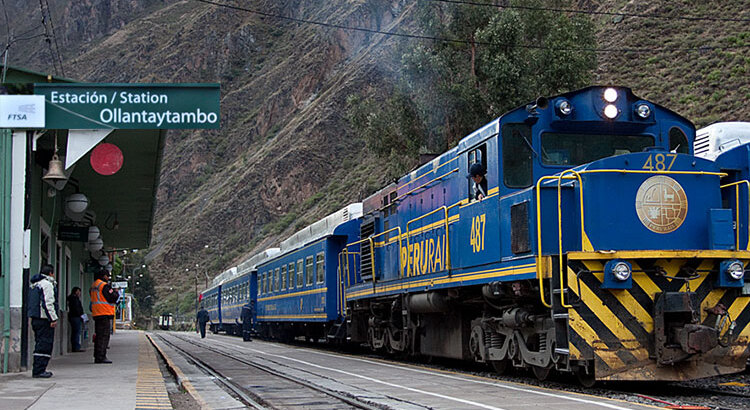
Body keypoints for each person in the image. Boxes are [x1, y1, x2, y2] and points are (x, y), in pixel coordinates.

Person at [28, 264, 59, 378]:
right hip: (44, 319)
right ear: (51, 273)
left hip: (36, 318)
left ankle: (38, 368)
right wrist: (53, 318)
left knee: (39, 343)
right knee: (45, 344)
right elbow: (48, 303)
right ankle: (40, 370)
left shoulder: (34, 285)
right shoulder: (47, 285)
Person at [90, 269, 118, 364]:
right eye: (107, 276)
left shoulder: (94, 285)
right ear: (104, 276)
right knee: (104, 336)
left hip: (97, 313)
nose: (108, 277)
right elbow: (112, 297)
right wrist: (116, 292)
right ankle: (101, 356)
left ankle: (97, 355)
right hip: (104, 313)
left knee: (98, 336)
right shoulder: (104, 285)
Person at [67, 287, 85, 352]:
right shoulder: (74, 299)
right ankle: (76, 347)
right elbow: (77, 309)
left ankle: (76, 346)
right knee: (76, 332)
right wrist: (80, 315)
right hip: (76, 317)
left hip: (74, 316)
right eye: (78, 291)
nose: (79, 293)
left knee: (76, 332)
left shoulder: (73, 299)